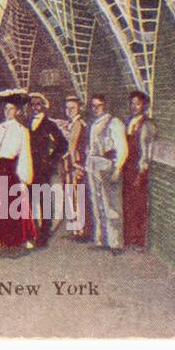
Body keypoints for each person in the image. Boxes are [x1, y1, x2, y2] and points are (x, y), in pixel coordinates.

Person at [0, 88, 36, 252]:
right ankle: (1, 239)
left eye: (11, 109)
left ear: (17, 111)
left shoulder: (22, 130)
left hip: (12, 169)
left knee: (15, 204)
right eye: (6, 109)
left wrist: (24, 177)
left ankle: (20, 238)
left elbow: (24, 154)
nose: (8, 112)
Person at [85, 94, 127, 252]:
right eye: (93, 106)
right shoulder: (93, 123)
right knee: (97, 203)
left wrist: (118, 168)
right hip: (93, 165)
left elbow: (122, 147)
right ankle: (102, 239)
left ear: (106, 105)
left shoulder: (114, 122)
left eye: (99, 105)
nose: (95, 109)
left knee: (111, 204)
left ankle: (116, 242)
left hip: (108, 165)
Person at [26, 92, 68, 245]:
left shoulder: (49, 124)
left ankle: (44, 233)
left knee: (44, 200)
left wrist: (51, 160)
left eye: (38, 104)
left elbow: (63, 144)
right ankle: (31, 231)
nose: (35, 107)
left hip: (43, 167)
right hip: (28, 167)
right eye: (32, 105)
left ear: (43, 106)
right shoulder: (26, 123)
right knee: (28, 200)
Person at [124, 90, 157, 250]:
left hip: (138, 168)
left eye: (137, 103)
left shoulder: (147, 124)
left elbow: (146, 150)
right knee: (128, 202)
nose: (134, 106)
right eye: (132, 103)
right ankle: (130, 237)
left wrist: (141, 171)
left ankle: (139, 241)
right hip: (127, 167)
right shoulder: (129, 121)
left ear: (144, 105)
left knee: (139, 204)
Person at [58, 95, 88, 238]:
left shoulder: (78, 124)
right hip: (68, 164)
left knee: (77, 195)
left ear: (79, 109)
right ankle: (75, 228)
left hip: (76, 164)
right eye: (67, 108)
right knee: (70, 194)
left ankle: (80, 230)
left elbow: (73, 145)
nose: (69, 111)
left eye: (72, 108)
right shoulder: (69, 124)